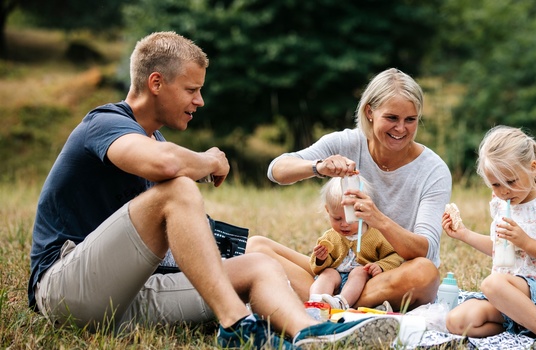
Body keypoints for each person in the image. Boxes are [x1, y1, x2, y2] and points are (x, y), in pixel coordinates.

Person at [27, 31, 399, 349]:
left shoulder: (154, 139)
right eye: (192, 89)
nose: (199, 101)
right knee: (178, 189)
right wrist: (211, 160)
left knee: (259, 264)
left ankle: (315, 334)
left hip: (129, 298)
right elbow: (166, 166)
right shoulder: (105, 123)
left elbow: (181, 234)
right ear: (156, 83)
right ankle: (237, 326)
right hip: (66, 291)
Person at [246, 68, 452, 311]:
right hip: (338, 271)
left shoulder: (433, 170)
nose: (401, 129)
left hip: (391, 275)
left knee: (424, 272)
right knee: (256, 247)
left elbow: (425, 250)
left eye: (410, 120)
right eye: (392, 118)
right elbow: (277, 170)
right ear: (370, 112)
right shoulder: (346, 142)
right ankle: (338, 304)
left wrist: (378, 219)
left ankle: (327, 304)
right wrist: (319, 167)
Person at [441, 125, 536, 347]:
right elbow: (499, 247)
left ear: (532, 168)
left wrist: (526, 242)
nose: (504, 191)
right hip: (506, 295)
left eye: (511, 182)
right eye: (495, 184)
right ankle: (522, 325)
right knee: (456, 321)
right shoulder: (501, 204)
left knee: (492, 284)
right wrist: (464, 234)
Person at [309, 176, 403, 311]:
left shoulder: (376, 235)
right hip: (335, 282)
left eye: (351, 219)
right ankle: (315, 304)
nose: (344, 224)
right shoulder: (330, 237)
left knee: (359, 271)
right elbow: (316, 268)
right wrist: (320, 259)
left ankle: (341, 303)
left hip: (361, 286)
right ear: (328, 210)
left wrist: (380, 266)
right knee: (328, 273)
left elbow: (395, 256)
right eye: (337, 218)